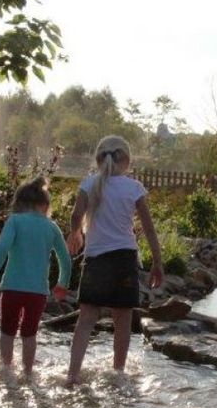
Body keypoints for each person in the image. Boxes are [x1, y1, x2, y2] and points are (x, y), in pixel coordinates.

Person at [65, 136, 163, 386]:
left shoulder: (89, 184)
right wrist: (157, 263)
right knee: (122, 318)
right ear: (127, 161)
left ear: (98, 160)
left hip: (96, 258)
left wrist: (75, 234)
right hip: (123, 259)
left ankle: (73, 375)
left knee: (86, 319)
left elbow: (76, 216)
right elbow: (149, 229)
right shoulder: (134, 188)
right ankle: (118, 373)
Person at [0, 176, 71, 377]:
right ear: (46, 205)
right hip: (37, 292)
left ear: (19, 203)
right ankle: (28, 373)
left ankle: (5, 370)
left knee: (7, 332)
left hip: (12, 288)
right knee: (30, 334)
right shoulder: (51, 227)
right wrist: (62, 284)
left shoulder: (15, 221)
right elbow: (65, 258)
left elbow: (2, 248)